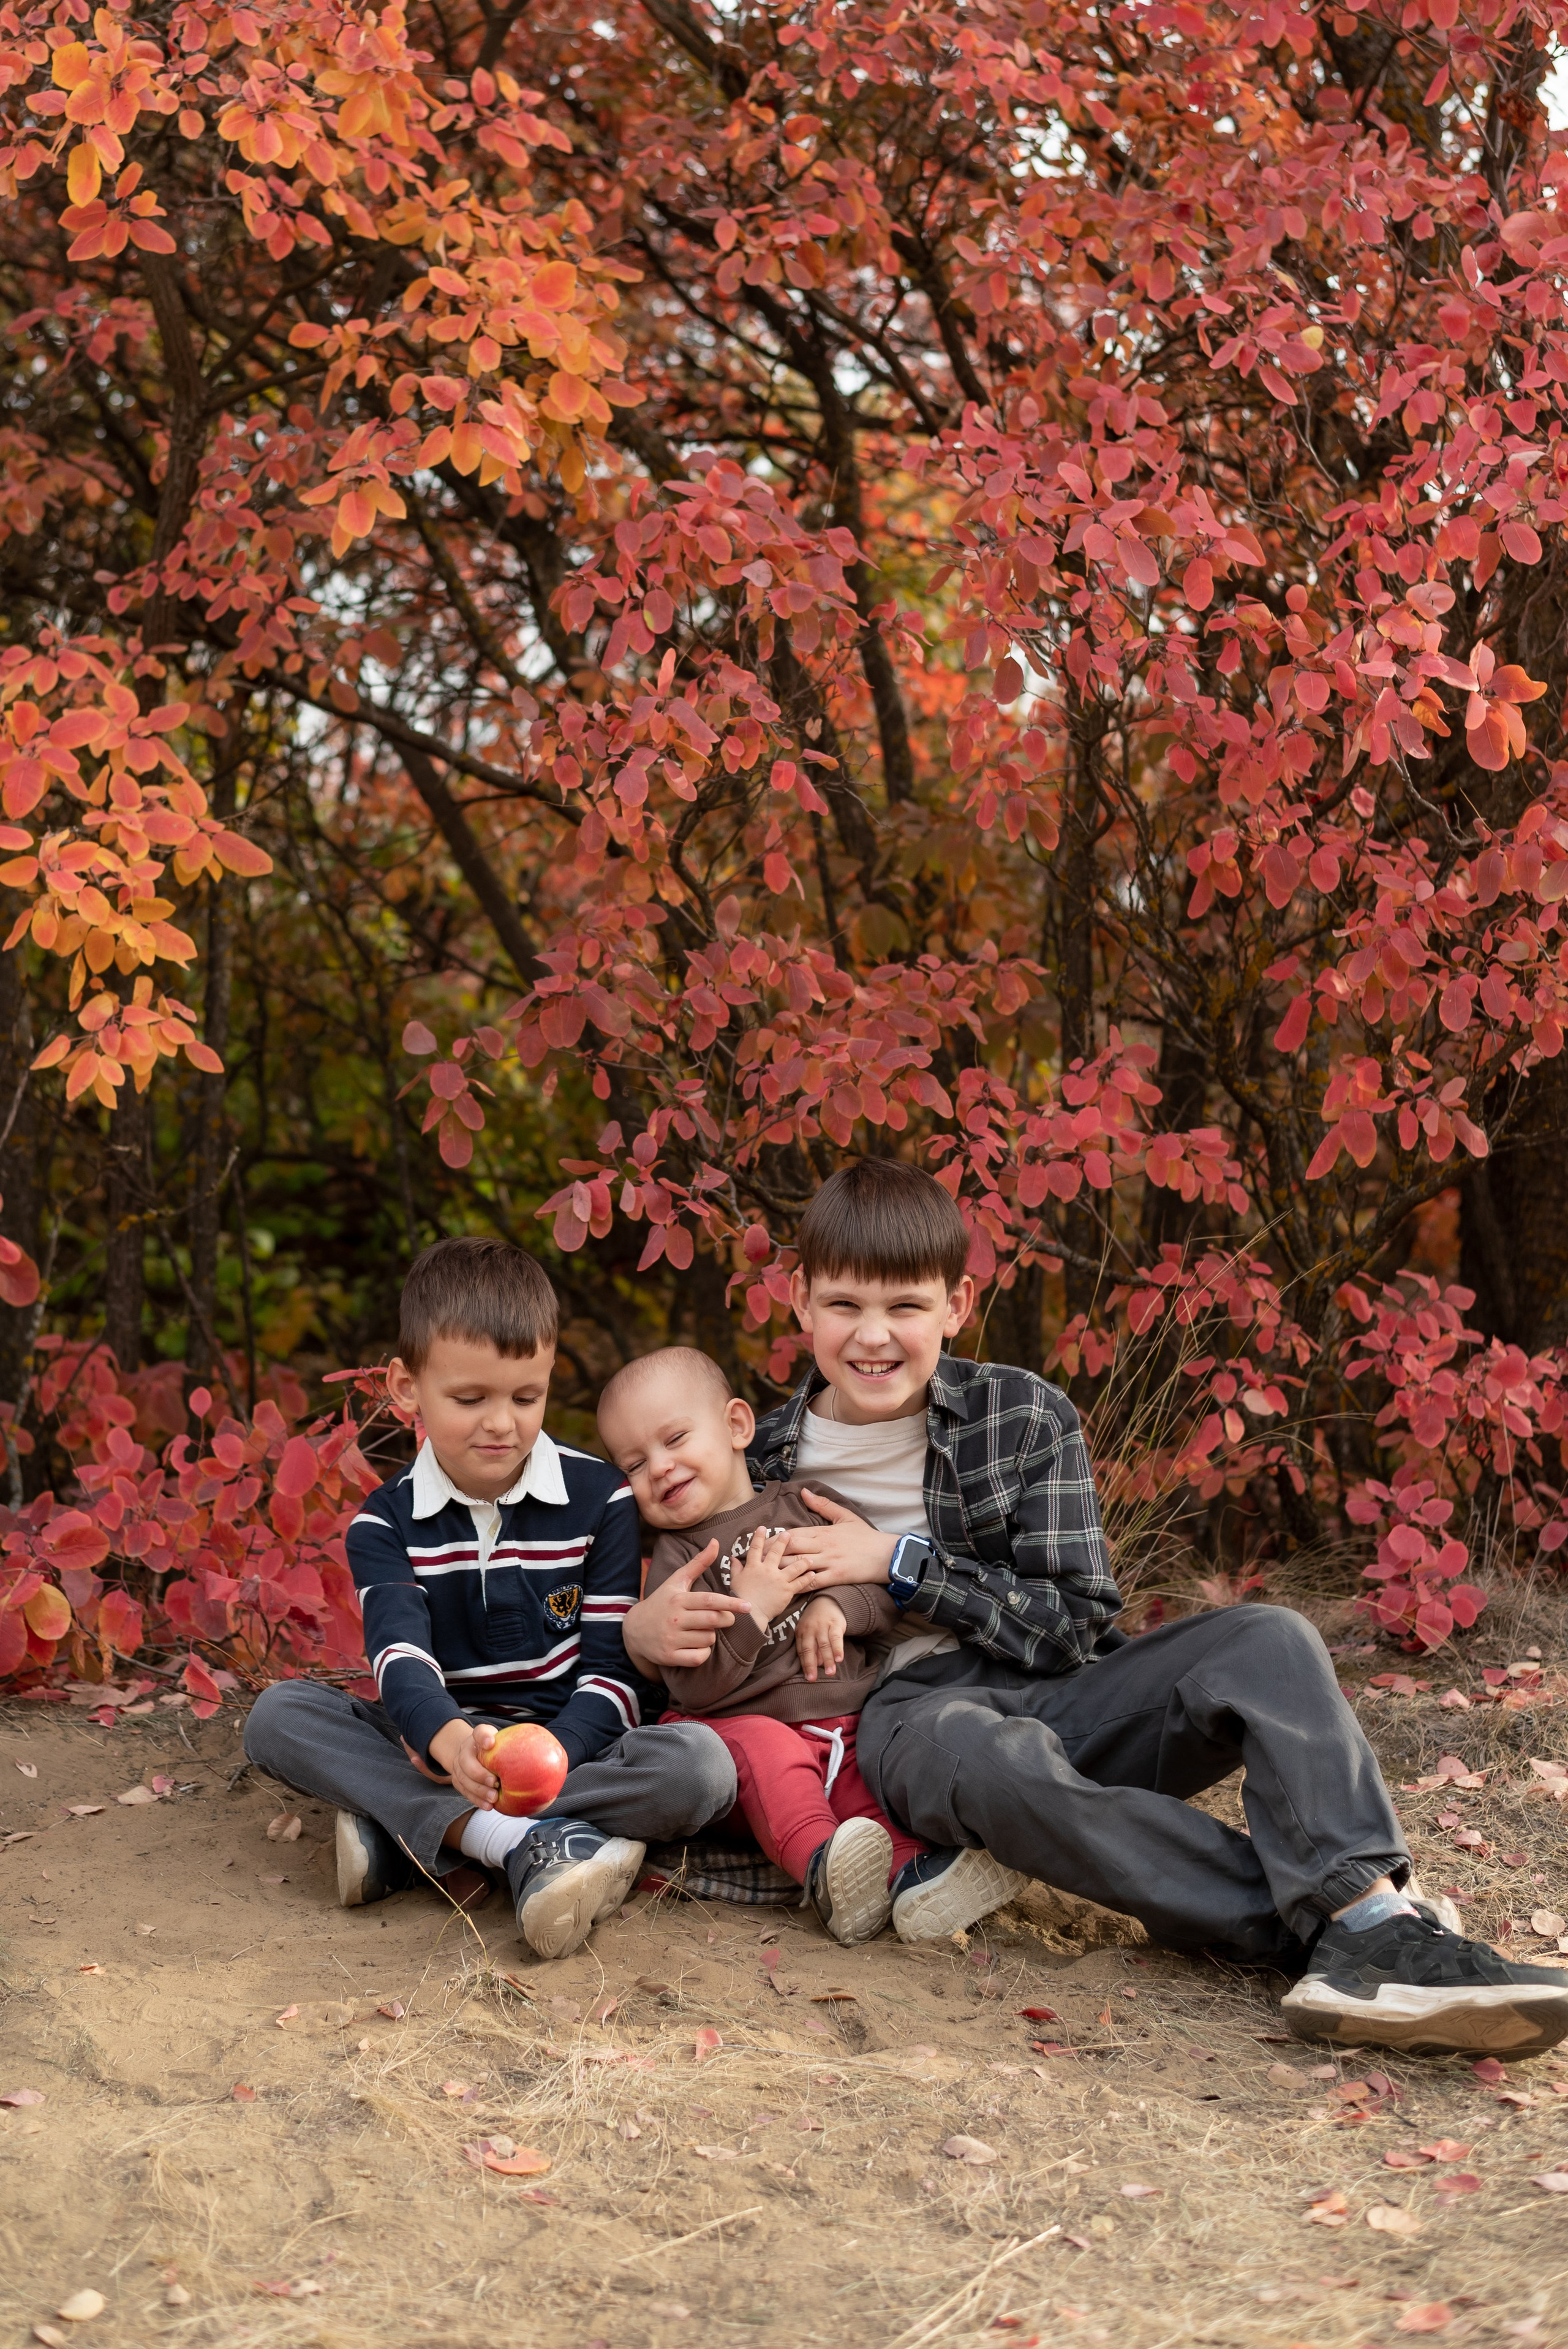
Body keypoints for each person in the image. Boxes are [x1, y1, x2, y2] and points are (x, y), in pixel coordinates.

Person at [622, 1160, 1568, 2056]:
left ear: (956, 1303)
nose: (874, 1335)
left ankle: (1369, 1922)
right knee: (990, 1754)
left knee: (1270, 1637)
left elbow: (1073, 1621)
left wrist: (901, 1564)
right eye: (845, 1305)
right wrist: (637, 1630)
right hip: (905, 1720)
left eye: (906, 1305)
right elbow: (668, 1586)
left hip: (1058, 1686)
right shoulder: (757, 1453)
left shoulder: (1023, 1416)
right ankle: (1349, 1927)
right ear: (802, 1302)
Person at [243, 1236, 736, 1960]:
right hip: (438, 1742)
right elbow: (402, 1658)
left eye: (525, 1396)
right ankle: (522, 1845)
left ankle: (416, 1836)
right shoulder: (385, 1523)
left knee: (700, 1766)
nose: (501, 1422)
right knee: (279, 1717)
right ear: (407, 1388)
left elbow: (612, 1670)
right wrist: (449, 1747)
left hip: (575, 1747)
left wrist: (552, 1757)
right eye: (470, 1399)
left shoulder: (601, 1500)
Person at [598, 1346, 961, 1945]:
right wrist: (755, 1611)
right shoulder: (679, 1561)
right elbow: (691, 1689)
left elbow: (886, 1595)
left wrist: (835, 1607)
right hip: (743, 1733)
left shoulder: (805, 1505)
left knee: (870, 1800)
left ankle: (913, 1883)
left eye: (675, 1438)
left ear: (738, 1426)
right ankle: (823, 1870)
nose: (659, 1467)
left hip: (845, 1722)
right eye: (634, 1464)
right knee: (771, 1755)